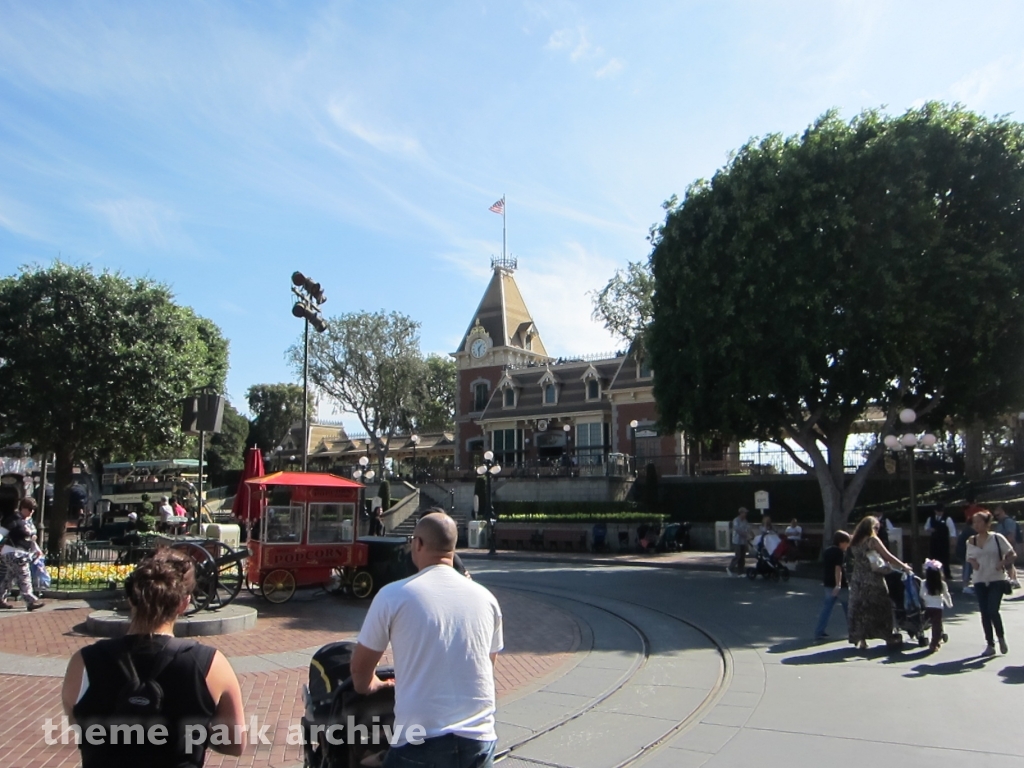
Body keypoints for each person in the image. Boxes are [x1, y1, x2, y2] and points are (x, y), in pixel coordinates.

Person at [61, 547, 245, 766]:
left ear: (131, 598)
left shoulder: (84, 661)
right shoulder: (211, 663)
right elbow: (235, 743)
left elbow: (78, 722)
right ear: (184, 603)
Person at [351, 510, 502, 768]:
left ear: (417, 544)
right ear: (453, 548)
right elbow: (488, 664)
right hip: (479, 741)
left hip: (419, 742)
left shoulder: (393, 595)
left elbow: (360, 669)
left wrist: (371, 686)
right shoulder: (486, 598)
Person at [847, 516, 912, 651]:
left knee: (860, 608)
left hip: (858, 577)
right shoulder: (872, 540)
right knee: (882, 606)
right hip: (873, 578)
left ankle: (862, 639)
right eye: (876, 527)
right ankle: (886, 635)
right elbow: (887, 555)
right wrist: (903, 566)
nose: (877, 530)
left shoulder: (855, 540)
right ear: (870, 527)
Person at [965, 510, 1015, 656]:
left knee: (993, 610)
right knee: (984, 612)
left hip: (996, 579)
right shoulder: (971, 540)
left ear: (988, 524)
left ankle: (1001, 638)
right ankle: (990, 644)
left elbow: (1012, 554)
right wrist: (973, 562)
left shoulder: (997, 538)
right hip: (979, 580)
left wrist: (1003, 562)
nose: (976, 525)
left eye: (980, 522)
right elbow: (969, 557)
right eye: (974, 522)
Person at [0, 497, 45, 611]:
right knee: (24, 575)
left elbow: (30, 539)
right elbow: (1, 533)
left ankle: (0, 598)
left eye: (33, 509)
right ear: (23, 508)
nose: (31, 512)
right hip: (13, 552)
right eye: (29, 509)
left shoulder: (27, 521)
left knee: (9, 577)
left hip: (22, 552)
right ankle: (30, 601)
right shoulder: (14, 520)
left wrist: (37, 550)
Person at [814, 530, 850, 641]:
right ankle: (854, 630)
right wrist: (838, 584)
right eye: (846, 543)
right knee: (849, 608)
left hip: (828, 582)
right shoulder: (839, 552)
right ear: (841, 542)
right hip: (840, 584)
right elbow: (838, 568)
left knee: (827, 608)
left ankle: (819, 631)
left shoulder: (828, 551)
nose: (847, 546)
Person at [921, 558, 952, 652]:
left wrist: (926, 600)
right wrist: (949, 604)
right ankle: (934, 643)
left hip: (927, 606)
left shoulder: (924, 583)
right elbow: (946, 595)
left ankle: (922, 635)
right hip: (938, 607)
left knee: (925, 622)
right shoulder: (942, 584)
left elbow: (922, 594)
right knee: (936, 625)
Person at [924, 504, 956, 580]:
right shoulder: (931, 518)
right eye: (938, 511)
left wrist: (953, 539)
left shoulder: (947, 519)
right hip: (934, 541)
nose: (940, 513)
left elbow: (952, 530)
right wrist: (930, 529)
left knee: (945, 558)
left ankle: (946, 574)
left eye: (941, 511)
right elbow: (926, 527)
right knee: (933, 557)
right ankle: (934, 573)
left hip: (943, 541)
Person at [992, 506, 1020, 588]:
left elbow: (1011, 535)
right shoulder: (1001, 522)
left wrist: (1007, 545)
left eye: (998, 515)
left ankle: (1012, 580)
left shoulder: (1008, 522)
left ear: (1003, 512)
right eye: (995, 516)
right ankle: (1014, 580)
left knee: (1008, 563)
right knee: (1009, 564)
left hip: (1008, 545)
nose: (997, 517)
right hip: (1003, 545)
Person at [727, 507, 751, 577]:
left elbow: (748, 528)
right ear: (741, 513)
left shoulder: (745, 521)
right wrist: (746, 535)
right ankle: (729, 568)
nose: (746, 514)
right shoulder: (736, 520)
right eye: (745, 513)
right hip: (737, 541)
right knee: (738, 556)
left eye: (746, 513)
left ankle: (740, 572)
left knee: (742, 557)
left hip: (743, 541)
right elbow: (738, 530)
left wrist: (751, 535)